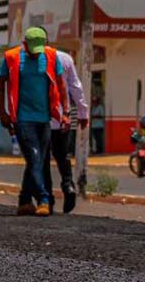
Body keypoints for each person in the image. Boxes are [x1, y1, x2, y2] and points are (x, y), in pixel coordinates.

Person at [0, 27, 69, 217]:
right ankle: (44, 199)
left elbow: (61, 85)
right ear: (25, 44)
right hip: (22, 119)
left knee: (36, 160)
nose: (36, 55)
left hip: (44, 118)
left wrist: (66, 112)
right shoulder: (11, 57)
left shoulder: (51, 56)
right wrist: (2, 112)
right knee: (35, 157)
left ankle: (24, 200)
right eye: (32, 50)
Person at [46, 47, 88, 214]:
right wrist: (83, 112)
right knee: (63, 156)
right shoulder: (65, 58)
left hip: (41, 119)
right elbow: (76, 87)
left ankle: (46, 197)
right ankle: (68, 185)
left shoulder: (33, 59)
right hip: (63, 117)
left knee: (42, 159)